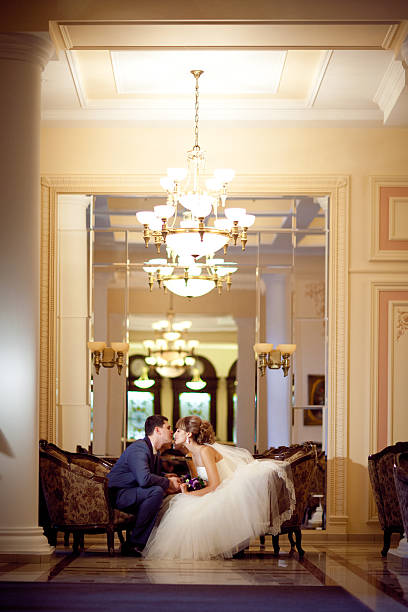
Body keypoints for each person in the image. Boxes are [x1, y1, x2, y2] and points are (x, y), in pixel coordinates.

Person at [143, 415, 296, 561]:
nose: (174, 433)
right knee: (181, 505)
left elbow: (215, 484)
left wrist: (190, 494)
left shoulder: (205, 451)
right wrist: (188, 487)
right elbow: (201, 482)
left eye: (178, 430)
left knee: (188, 510)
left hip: (225, 489)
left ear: (188, 434)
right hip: (214, 489)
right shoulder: (191, 454)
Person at [107, 415, 180, 556]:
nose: (172, 431)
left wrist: (167, 477)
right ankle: (135, 543)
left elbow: (149, 474)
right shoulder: (139, 448)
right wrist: (167, 482)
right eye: (169, 428)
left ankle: (142, 540)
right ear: (157, 430)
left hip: (133, 492)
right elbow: (144, 479)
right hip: (119, 494)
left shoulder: (154, 451)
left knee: (159, 491)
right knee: (156, 491)